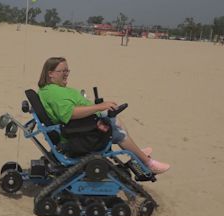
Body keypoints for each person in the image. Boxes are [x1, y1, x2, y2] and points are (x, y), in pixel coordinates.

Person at [37, 57, 170, 174]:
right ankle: (148, 163)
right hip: (77, 136)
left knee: (114, 120)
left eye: (68, 70)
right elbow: (69, 114)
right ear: (51, 74)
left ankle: (136, 152)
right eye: (63, 71)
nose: (66, 74)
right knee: (116, 130)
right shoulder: (54, 93)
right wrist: (99, 107)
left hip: (79, 128)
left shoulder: (51, 90)